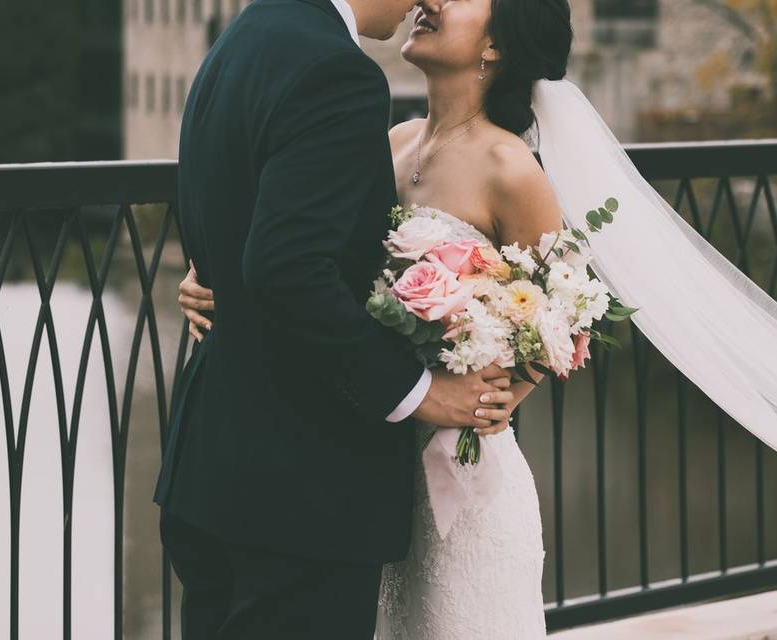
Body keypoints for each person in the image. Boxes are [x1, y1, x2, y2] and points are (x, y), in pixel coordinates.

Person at [180, 0, 777, 636]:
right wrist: (212, 279)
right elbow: (308, 247)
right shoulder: (390, 139)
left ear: (496, 46)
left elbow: (566, 310)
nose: (429, 1)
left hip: (453, 461)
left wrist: (501, 388)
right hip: (371, 449)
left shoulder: (511, 168)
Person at [153, 1, 517, 638]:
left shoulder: (244, 35)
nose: (422, 4)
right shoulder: (337, 72)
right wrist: (421, 392)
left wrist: (216, 279)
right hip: (300, 487)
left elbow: (250, 223)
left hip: (214, 466)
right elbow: (288, 268)